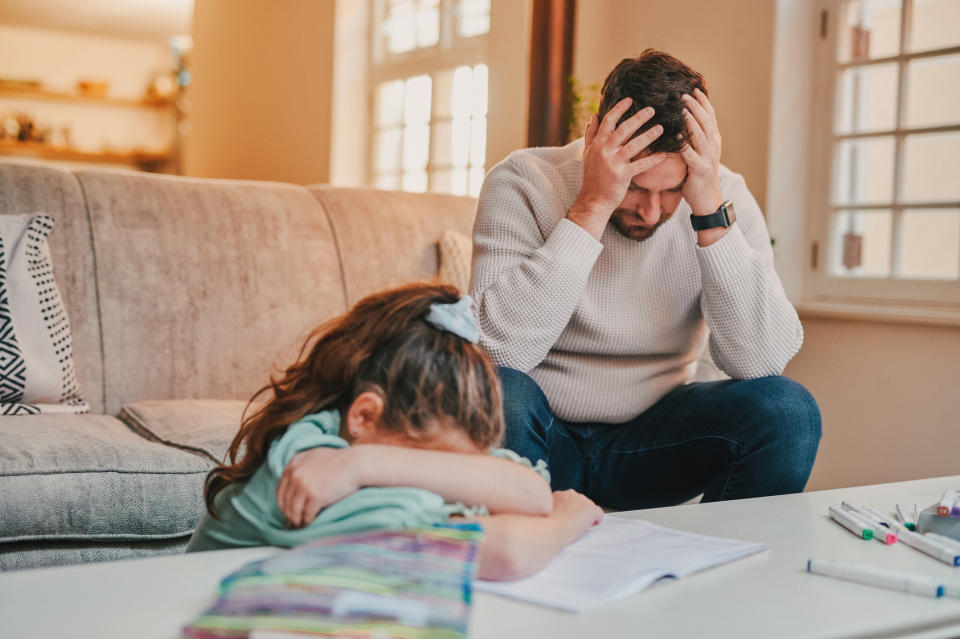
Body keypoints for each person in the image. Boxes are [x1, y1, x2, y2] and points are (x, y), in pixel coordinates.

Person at [471, 49, 821, 510]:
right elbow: (495, 350)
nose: (651, 212)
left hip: (655, 441)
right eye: (635, 186)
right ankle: (528, 551)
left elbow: (760, 362)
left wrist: (707, 212)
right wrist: (594, 204)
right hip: (540, 435)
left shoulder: (719, 194)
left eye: (671, 189)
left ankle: (716, 564)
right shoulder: (523, 181)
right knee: (499, 393)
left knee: (788, 412)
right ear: (595, 137)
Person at [187, 283, 603, 581]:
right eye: (435, 461)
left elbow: (529, 491)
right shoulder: (307, 473)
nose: (445, 473)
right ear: (364, 416)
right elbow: (507, 552)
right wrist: (567, 520)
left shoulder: (351, 452)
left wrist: (366, 461)